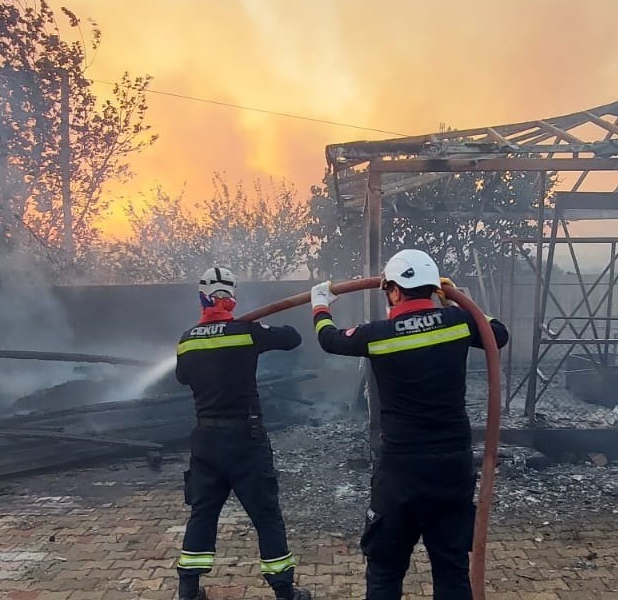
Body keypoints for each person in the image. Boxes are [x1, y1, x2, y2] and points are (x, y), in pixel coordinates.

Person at [310, 249, 509, 600]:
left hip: (401, 471)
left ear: (396, 291)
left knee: (386, 570)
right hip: (452, 467)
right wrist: (461, 299)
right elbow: (498, 333)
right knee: (451, 570)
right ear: (433, 289)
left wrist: (320, 305)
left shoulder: (377, 333)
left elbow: (330, 339)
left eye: (388, 290)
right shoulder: (458, 322)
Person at [174, 266, 311, 600]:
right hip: (245, 442)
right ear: (232, 299)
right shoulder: (247, 331)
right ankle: (284, 591)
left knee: (202, 514)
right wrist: (257, 327)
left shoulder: (187, 340)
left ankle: (188, 592)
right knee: (266, 516)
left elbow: (182, 378)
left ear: (202, 297)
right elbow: (293, 338)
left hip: (205, 442)